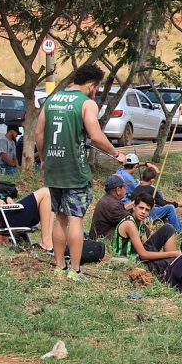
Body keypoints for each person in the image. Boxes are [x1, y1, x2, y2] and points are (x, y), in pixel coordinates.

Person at [35, 63, 126, 281]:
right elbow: (95, 136)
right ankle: (75, 270)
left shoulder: (52, 99)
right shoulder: (86, 104)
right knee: (76, 219)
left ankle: (59, 267)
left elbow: (39, 133)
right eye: (97, 88)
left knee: (60, 219)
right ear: (92, 84)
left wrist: (44, 158)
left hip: (54, 168)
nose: (96, 92)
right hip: (75, 169)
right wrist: (116, 154)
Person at [0, 151, 53, 251]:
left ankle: (48, 241)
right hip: (3, 222)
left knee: (49, 196)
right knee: (45, 192)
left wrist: (5, 199)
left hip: (8, 216)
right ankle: (46, 242)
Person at [113, 192, 181, 274]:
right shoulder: (129, 223)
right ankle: (169, 265)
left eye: (147, 210)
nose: (143, 212)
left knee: (168, 228)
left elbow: (146, 245)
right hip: (134, 260)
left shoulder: (140, 223)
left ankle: (169, 262)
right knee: (176, 262)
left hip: (141, 256)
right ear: (134, 207)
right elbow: (143, 255)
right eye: (141, 208)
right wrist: (172, 254)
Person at [132, 167, 182, 234]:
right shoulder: (152, 190)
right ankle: (179, 232)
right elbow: (163, 203)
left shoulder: (136, 189)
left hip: (137, 213)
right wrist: (177, 204)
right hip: (148, 215)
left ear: (142, 176)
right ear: (152, 180)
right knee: (170, 208)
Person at [89, 174, 131, 240]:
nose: (126, 190)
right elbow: (131, 221)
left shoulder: (107, 199)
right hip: (101, 241)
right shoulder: (113, 205)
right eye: (124, 187)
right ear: (118, 190)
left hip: (97, 238)